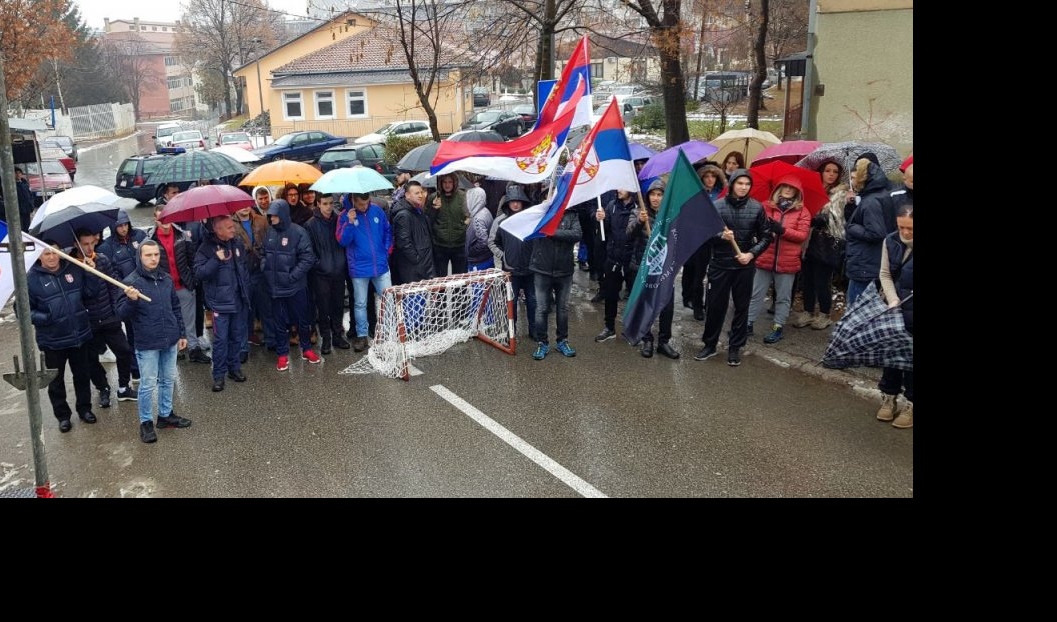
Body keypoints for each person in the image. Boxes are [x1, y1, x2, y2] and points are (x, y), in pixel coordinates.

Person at [693, 169, 772, 366]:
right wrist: (721, 236)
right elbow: (704, 235)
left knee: (741, 307)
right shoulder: (717, 207)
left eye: (747, 184)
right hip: (720, 265)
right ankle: (709, 345)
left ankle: (735, 347)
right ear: (732, 184)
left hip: (744, 266)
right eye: (740, 183)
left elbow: (766, 236)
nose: (743, 187)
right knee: (715, 307)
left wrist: (751, 254)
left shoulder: (757, 208)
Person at [117, 241, 192, 443]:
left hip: (170, 338)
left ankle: (165, 415)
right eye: (148, 255)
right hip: (147, 342)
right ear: (139, 257)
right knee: (148, 384)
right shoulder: (130, 283)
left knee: (168, 379)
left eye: (156, 255)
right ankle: (146, 422)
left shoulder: (166, 279)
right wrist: (131, 300)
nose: (153, 259)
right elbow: (121, 315)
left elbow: (175, 308)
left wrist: (182, 334)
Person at [28, 242, 104, 433]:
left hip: (79, 335)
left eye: (55, 252)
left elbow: (90, 293)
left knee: (82, 375)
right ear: (39, 257)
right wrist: (46, 317)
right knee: (56, 381)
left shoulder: (74, 270)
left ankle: (85, 409)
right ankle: (63, 416)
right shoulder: (31, 279)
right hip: (52, 341)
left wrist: (90, 273)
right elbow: (23, 311)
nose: (52, 257)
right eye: (47, 253)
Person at [72, 229, 135, 407]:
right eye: (85, 244)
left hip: (108, 317)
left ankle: (124, 386)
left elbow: (113, 284)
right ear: (76, 244)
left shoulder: (102, 259)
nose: (90, 247)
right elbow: (81, 294)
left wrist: (115, 308)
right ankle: (103, 388)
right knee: (91, 359)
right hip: (89, 322)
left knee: (123, 351)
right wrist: (87, 271)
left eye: (93, 243)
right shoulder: (71, 264)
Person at [746, 179, 812, 344]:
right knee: (755, 294)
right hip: (765, 257)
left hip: (787, 261)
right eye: (785, 186)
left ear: (798, 192)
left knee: (783, 297)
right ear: (779, 189)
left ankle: (778, 327)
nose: (788, 190)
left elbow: (802, 236)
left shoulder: (803, 212)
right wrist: (767, 230)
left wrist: (782, 230)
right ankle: (747, 324)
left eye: (793, 188)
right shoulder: (765, 206)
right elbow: (755, 227)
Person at [147, 204, 210, 364]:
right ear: (155, 220)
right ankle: (176, 350)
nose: (165, 221)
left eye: (167, 217)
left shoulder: (182, 236)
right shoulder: (150, 241)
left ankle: (194, 350)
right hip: (165, 289)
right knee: (171, 321)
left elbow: (192, 259)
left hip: (184, 285)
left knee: (189, 321)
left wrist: (193, 281)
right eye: (161, 218)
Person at [194, 216, 251, 392]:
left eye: (232, 226)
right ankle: (218, 375)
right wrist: (216, 260)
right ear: (218, 230)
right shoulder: (206, 248)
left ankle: (234, 369)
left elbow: (243, 267)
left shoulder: (237, 243)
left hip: (238, 300)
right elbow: (199, 273)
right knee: (220, 341)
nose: (233, 230)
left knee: (237, 337)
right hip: (220, 303)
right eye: (229, 227)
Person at [263, 199, 320, 371]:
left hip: (295, 287)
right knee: (279, 323)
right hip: (275, 288)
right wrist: (264, 267)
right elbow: (262, 253)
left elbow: (307, 257)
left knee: (303, 320)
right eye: (270, 216)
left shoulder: (298, 232)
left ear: (282, 215)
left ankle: (307, 349)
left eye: (274, 216)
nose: (271, 219)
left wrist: (292, 276)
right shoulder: (269, 232)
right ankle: (282, 354)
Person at [627, 180, 680, 359]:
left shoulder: (671, 216)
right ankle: (646, 339)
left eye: (660, 194)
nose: (656, 198)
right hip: (643, 267)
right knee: (645, 304)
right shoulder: (638, 212)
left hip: (665, 269)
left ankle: (664, 342)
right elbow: (629, 234)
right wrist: (641, 223)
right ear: (647, 196)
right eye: (653, 194)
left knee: (666, 306)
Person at [792, 161, 847, 330]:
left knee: (822, 281)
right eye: (827, 171)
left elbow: (837, 219)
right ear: (821, 172)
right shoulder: (812, 190)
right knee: (807, 278)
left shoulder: (841, 194)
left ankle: (825, 314)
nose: (831, 174)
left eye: (835, 172)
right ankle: (808, 311)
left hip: (827, 242)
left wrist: (818, 218)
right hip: (808, 240)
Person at [337, 191, 392, 352]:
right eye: (361, 204)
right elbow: (342, 241)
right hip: (359, 268)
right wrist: (349, 222)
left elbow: (387, 230)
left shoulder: (377, 210)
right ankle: (362, 336)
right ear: (353, 200)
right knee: (360, 303)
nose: (364, 206)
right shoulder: (345, 215)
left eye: (366, 203)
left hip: (380, 264)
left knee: (388, 300)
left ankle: (387, 332)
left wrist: (386, 250)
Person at [876, 204, 913, 429]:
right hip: (895, 307)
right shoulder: (890, 240)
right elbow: (885, 273)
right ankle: (888, 398)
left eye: (910, 228)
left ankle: (910, 404)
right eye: (902, 227)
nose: (906, 232)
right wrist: (892, 299)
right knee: (891, 356)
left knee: (911, 361)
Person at [98, 209, 146, 382]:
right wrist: (123, 289)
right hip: (126, 294)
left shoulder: (140, 236)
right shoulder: (107, 247)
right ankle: (135, 369)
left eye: (126, 224)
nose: (123, 229)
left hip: (144, 290)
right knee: (132, 334)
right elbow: (110, 274)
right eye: (120, 226)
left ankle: (146, 365)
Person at [529, 208, 582, 360]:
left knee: (563, 309)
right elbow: (532, 230)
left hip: (564, 270)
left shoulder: (572, 215)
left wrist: (552, 232)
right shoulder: (540, 212)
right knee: (542, 309)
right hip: (541, 269)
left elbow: (577, 234)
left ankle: (562, 341)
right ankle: (542, 342)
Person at [488, 186, 536, 341]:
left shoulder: (530, 219)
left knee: (533, 301)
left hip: (530, 269)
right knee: (511, 302)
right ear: (507, 203)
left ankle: (534, 331)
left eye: (518, 202)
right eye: (512, 201)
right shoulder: (500, 221)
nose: (515, 205)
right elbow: (492, 242)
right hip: (510, 270)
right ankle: (511, 331)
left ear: (523, 203)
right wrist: (504, 256)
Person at [304, 193, 350, 354]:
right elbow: (308, 250)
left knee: (338, 305)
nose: (329, 207)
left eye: (331, 203)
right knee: (323, 307)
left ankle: (338, 335)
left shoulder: (338, 219)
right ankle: (326, 338)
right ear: (318, 204)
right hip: (321, 273)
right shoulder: (311, 224)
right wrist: (318, 264)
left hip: (338, 269)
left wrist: (342, 261)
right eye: (325, 203)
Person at [844, 158, 894, 307]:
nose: (851, 181)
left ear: (862, 177)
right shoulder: (876, 195)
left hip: (865, 265)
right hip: (869, 262)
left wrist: (851, 227)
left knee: (856, 311)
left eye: (854, 177)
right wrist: (851, 207)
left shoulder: (871, 201)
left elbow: (876, 233)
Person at [593, 190, 637, 344]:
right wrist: (600, 219)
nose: (619, 190)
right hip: (613, 259)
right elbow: (605, 230)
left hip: (632, 260)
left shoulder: (639, 207)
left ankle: (635, 330)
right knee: (610, 295)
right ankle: (609, 327)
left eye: (622, 187)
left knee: (635, 297)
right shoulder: (611, 205)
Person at [683, 164, 727, 319]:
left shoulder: (721, 194)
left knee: (713, 274)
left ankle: (709, 302)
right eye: (707, 176)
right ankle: (696, 305)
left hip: (717, 238)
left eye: (713, 176)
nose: (710, 179)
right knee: (697, 273)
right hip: (697, 238)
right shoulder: (696, 194)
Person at [235, 187, 272, 353]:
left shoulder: (261, 220)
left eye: (246, 203)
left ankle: (271, 339)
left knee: (266, 307)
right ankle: (244, 345)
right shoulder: (230, 223)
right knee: (245, 311)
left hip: (261, 270)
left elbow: (269, 241)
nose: (244, 207)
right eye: (239, 203)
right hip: (243, 272)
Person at [391, 180, 435, 284]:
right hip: (413, 269)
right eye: (417, 193)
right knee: (415, 298)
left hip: (424, 265)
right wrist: (417, 259)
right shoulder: (404, 215)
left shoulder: (418, 211)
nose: (420, 195)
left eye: (421, 192)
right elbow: (404, 243)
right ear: (407, 195)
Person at [427, 173, 469, 276]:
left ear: (454, 183)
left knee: (459, 279)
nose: (447, 185)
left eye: (450, 182)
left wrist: (464, 227)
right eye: (444, 182)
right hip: (440, 245)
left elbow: (469, 215)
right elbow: (427, 219)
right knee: (440, 279)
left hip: (459, 244)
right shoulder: (434, 197)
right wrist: (434, 208)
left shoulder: (462, 196)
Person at [466, 179, 495, 271]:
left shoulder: (478, 218)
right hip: (486, 257)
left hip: (479, 260)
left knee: (478, 284)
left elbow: (483, 241)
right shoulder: (485, 211)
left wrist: (471, 251)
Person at [13, 167, 35, 231]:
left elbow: (30, 195)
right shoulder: (13, 185)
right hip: (19, 210)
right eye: (16, 173)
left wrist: (31, 205)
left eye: (19, 173)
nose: (18, 174)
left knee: (27, 226)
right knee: (21, 226)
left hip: (27, 209)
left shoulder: (25, 183)